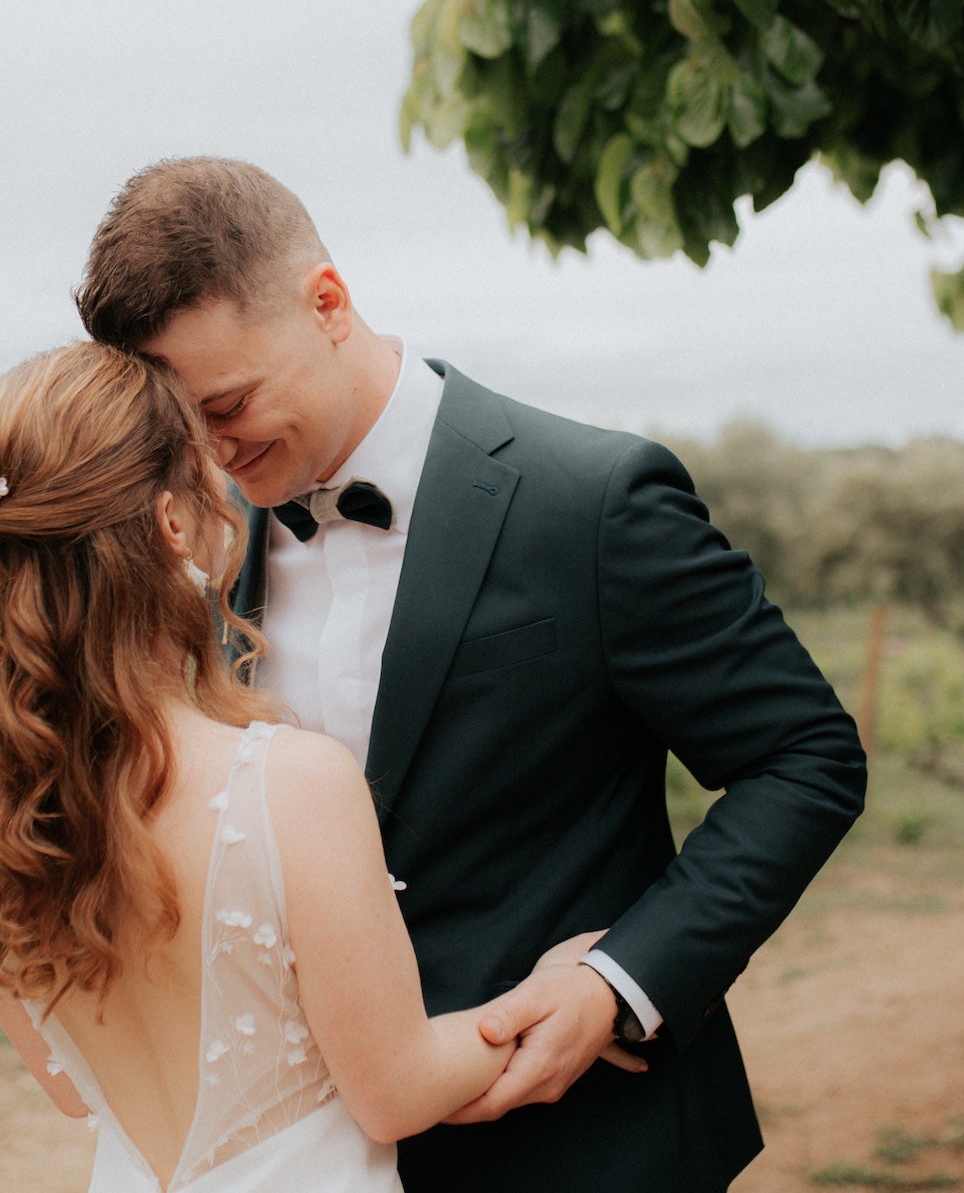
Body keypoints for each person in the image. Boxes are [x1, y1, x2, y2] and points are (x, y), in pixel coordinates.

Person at [75, 157, 869, 1193]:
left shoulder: (592, 501)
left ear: (327, 304)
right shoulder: (199, 542)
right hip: (317, 1155)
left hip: (583, 1146)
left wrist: (617, 984)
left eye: (226, 402)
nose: (211, 451)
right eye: (181, 425)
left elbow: (804, 755)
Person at [0, 342, 582, 1192]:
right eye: (207, 474)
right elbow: (396, 1092)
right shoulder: (291, 783)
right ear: (170, 523)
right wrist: (557, 991)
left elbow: (69, 1087)